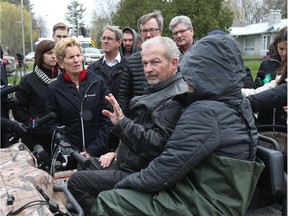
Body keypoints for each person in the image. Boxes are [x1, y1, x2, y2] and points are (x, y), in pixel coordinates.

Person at [92, 34, 264, 216]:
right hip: (225, 197)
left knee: (109, 201)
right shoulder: (238, 103)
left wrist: (122, 185)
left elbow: (166, 169)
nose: (186, 78)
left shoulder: (205, 112)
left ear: (204, 74)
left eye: (191, 72)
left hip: (206, 203)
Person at [67, 36, 188, 216]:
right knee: (87, 164)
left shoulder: (174, 98)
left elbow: (157, 144)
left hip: (140, 173)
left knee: (76, 182)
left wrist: (123, 123)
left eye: (155, 62)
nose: (148, 69)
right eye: (145, 63)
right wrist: (116, 152)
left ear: (174, 63)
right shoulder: (160, 89)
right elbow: (140, 132)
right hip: (126, 162)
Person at [46, 38, 112, 162]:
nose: (76, 60)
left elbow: (107, 119)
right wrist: (73, 151)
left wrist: (93, 150)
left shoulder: (97, 82)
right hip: (69, 156)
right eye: (71, 57)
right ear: (61, 63)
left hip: (99, 155)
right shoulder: (54, 88)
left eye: (78, 55)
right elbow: (52, 125)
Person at [12, 40, 60, 155]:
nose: (54, 56)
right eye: (49, 53)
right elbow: (17, 107)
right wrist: (31, 124)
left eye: (56, 53)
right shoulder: (29, 81)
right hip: (35, 138)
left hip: (59, 136)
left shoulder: (63, 78)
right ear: (40, 55)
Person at [87, 25, 127, 151]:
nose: (105, 41)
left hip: (123, 124)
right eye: (103, 38)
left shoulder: (129, 66)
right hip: (100, 128)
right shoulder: (92, 69)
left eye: (109, 38)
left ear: (118, 42)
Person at [118, 10, 163, 116]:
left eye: (152, 30)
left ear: (160, 32)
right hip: (138, 124)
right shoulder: (131, 61)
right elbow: (124, 97)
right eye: (144, 31)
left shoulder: (172, 57)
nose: (148, 35)